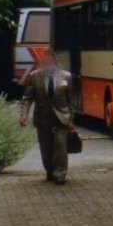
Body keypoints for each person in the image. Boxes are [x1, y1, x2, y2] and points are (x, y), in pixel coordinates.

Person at [19, 50, 76, 184]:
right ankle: (50, 171)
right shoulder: (34, 76)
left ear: (55, 61)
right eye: (45, 60)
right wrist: (23, 115)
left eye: (51, 59)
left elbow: (71, 101)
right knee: (46, 147)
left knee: (60, 146)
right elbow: (27, 98)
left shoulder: (66, 76)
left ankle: (60, 173)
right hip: (43, 117)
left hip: (61, 117)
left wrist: (71, 120)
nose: (48, 62)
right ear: (42, 62)